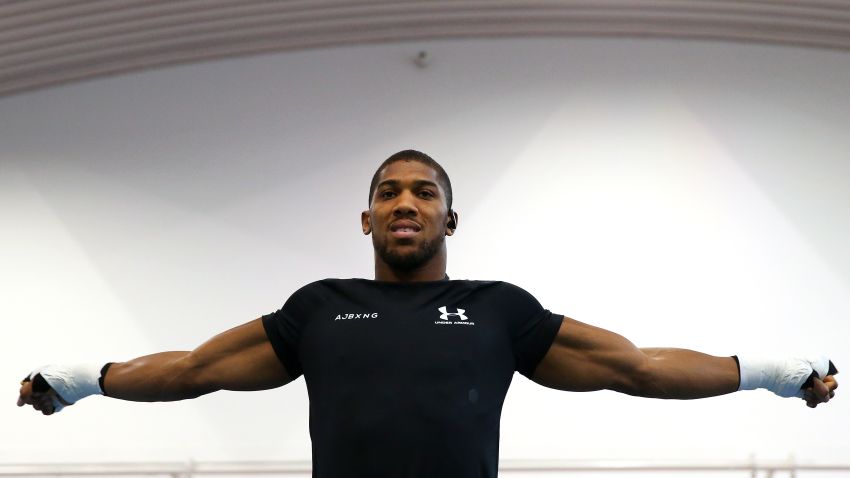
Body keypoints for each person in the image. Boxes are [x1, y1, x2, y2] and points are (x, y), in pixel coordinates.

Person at [18, 150, 838, 477]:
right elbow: (194, 370)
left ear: (449, 219)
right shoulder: (319, 309)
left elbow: (636, 367)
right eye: (387, 192)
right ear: (366, 219)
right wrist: (81, 381)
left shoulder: (499, 310)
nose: (405, 201)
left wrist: (770, 373)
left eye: (424, 192)